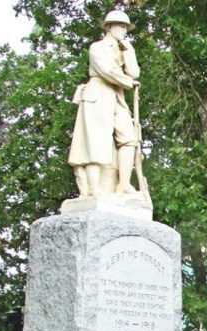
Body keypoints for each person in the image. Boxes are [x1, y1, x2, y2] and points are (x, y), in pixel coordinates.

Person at [68, 10, 141, 198]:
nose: (124, 30)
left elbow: (134, 73)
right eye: (120, 26)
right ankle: (94, 189)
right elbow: (107, 71)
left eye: (126, 27)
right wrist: (127, 82)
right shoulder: (97, 47)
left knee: (129, 138)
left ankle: (123, 184)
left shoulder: (123, 49)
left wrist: (130, 52)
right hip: (98, 93)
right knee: (96, 142)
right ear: (109, 26)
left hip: (116, 96)